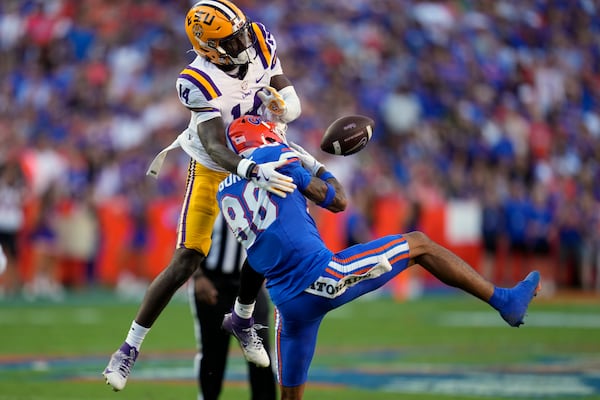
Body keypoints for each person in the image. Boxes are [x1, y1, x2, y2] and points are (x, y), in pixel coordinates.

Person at [218, 115, 541, 400]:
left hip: (286, 304)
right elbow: (339, 202)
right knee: (419, 244)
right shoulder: (276, 154)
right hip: (324, 277)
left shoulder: (226, 191)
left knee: (289, 398)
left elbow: (256, 259)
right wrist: (316, 168)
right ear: (263, 136)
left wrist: (243, 312)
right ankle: (504, 301)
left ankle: (243, 319)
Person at [103, 0, 301, 391]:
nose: (245, 39)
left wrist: (286, 109)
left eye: (242, 31)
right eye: (232, 38)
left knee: (271, 237)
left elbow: (285, 91)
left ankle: (243, 318)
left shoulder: (260, 38)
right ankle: (128, 348)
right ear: (210, 48)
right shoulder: (196, 79)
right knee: (187, 258)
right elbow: (214, 145)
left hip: (258, 147)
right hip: (214, 163)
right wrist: (251, 170)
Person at [190, 215, 276, 400]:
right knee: (213, 356)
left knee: (261, 355)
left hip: (250, 283)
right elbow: (187, 234)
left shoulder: (260, 189)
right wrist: (197, 276)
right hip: (212, 282)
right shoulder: (208, 188)